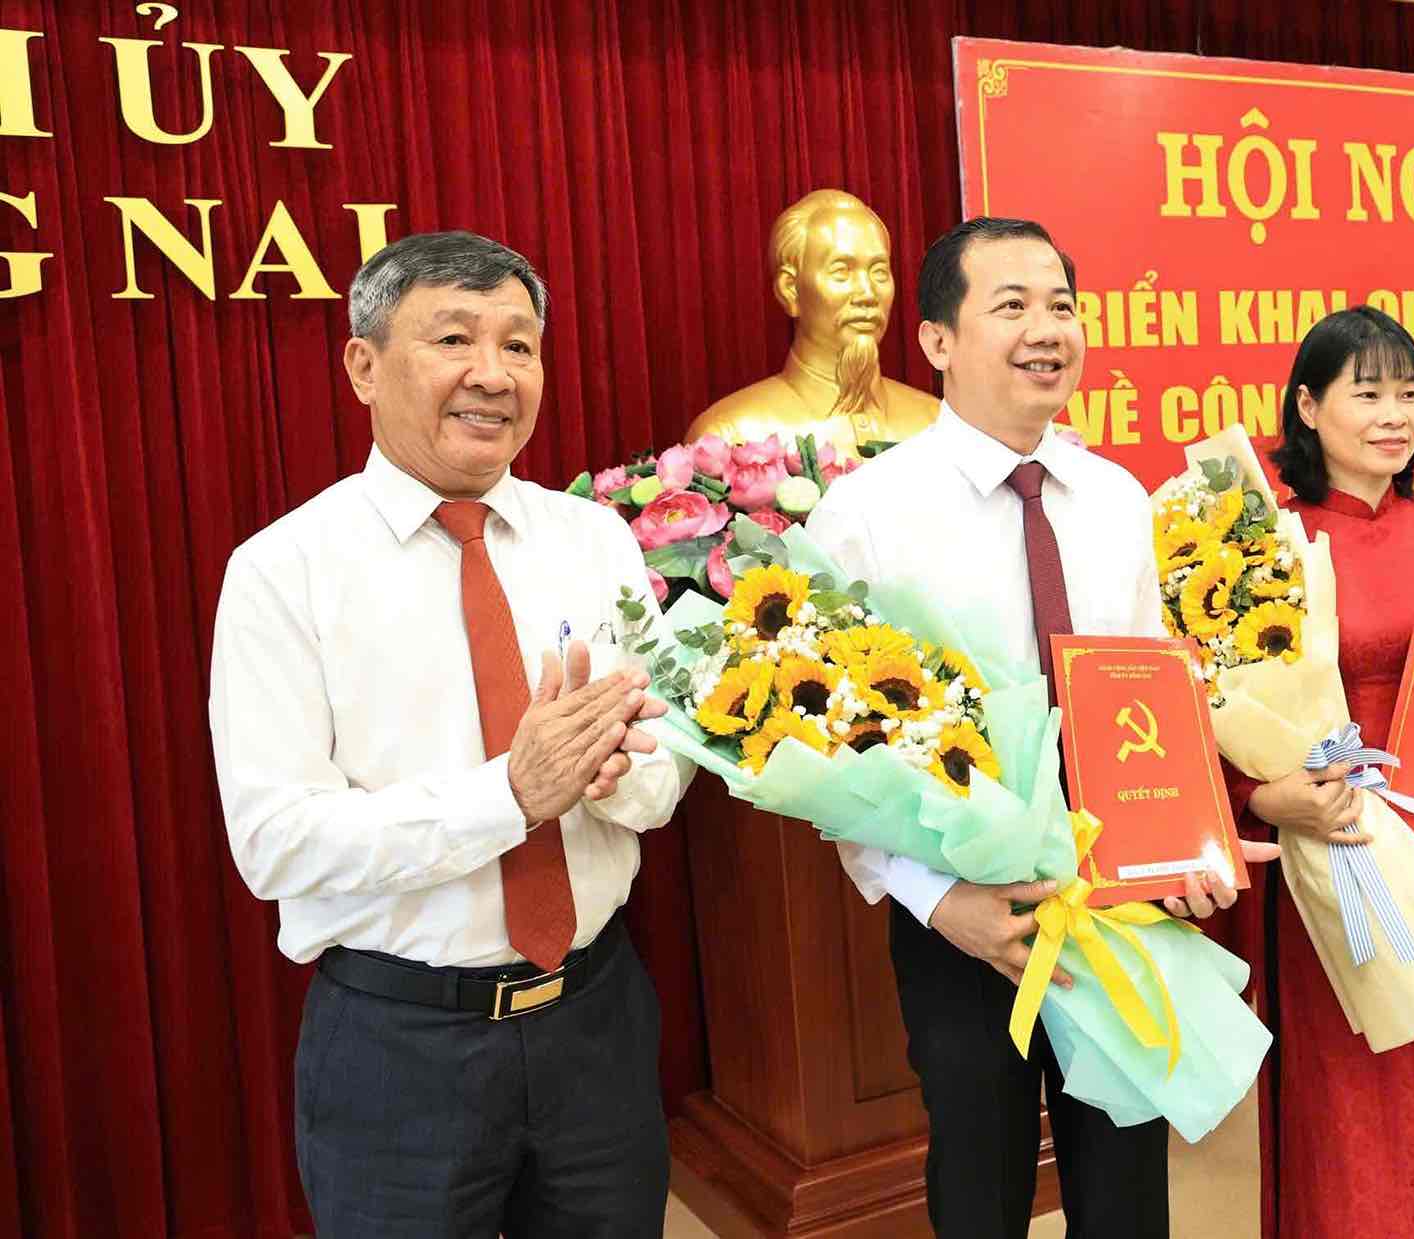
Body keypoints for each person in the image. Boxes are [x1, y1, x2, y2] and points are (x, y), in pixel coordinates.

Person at [209, 230, 693, 1238]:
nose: (493, 374)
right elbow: (276, 842)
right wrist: (509, 796)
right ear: (362, 365)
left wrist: (611, 775)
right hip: (399, 1049)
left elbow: (658, 773)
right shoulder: (282, 571)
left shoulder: (590, 537)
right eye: (455, 339)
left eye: (519, 346)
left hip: (595, 1021)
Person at [806, 216, 1274, 1238]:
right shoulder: (868, 514)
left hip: (1116, 904)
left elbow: (1154, 697)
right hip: (965, 916)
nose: (1044, 330)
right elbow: (833, 750)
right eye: (1009, 306)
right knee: (982, 1186)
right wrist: (940, 902)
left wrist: (1183, 845)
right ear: (934, 341)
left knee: (1124, 1186)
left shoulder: (1111, 499)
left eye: (1060, 305)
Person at [1221, 306, 1414, 1238]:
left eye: (1407, 391)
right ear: (1308, 406)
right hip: (1339, 847)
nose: (1393, 412)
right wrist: (1262, 799)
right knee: (1351, 1104)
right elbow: (1220, 707)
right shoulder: (1258, 542)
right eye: (1366, 392)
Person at [685, 188, 938, 458]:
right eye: (841, 272)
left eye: (879, 272)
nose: (867, 293)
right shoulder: (732, 437)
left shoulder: (935, 423)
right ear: (790, 290)